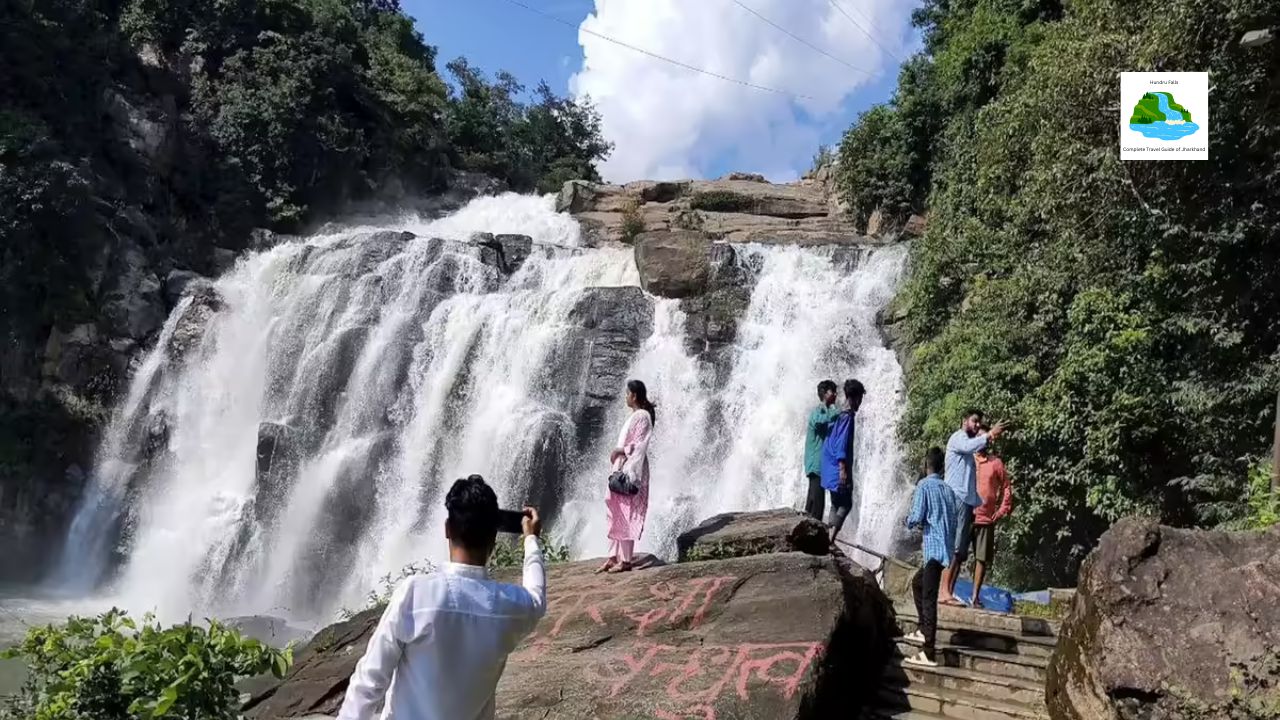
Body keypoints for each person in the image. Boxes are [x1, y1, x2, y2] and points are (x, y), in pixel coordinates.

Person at [337, 475, 546, 720]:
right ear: (493, 537)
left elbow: (369, 681)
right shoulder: (510, 606)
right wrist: (531, 540)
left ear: (447, 529)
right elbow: (537, 598)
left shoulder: (416, 594)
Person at [938, 410, 1006, 606]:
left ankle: (948, 592)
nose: (977, 425)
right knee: (955, 548)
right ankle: (944, 592)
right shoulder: (959, 439)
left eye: (979, 423)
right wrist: (990, 434)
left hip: (967, 503)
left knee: (960, 551)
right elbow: (971, 446)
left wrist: (980, 504)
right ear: (964, 421)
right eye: (974, 421)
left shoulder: (976, 452)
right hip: (956, 499)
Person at [904, 446, 957, 667]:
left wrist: (907, 522)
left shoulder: (924, 486)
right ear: (942, 467)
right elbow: (954, 520)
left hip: (933, 550)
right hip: (944, 549)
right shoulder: (948, 490)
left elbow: (917, 516)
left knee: (928, 600)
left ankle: (929, 650)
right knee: (918, 583)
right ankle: (922, 629)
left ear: (927, 466)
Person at [597, 379, 655, 574]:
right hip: (621, 466)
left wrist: (621, 450)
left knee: (625, 511)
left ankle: (626, 560)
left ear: (634, 395)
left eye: (627, 393)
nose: (625, 397)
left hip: (630, 469)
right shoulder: (636, 415)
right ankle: (613, 557)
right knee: (613, 509)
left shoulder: (642, 416)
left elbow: (640, 446)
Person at [968, 429, 1012, 607]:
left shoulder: (996, 463)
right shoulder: (968, 459)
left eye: (986, 438)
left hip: (986, 518)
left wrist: (1001, 510)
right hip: (966, 516)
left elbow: (1007, 487)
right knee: (956, 554)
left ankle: (975, 597)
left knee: (981, 559)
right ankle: (946, 592)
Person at [820, 379, 866, 542]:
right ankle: (831, 539)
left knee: (835, 503)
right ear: (855, 397)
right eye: (860, 398)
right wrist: (842, 469)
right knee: (846, 504)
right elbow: (842, 443)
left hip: (828, 464)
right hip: (837, 466)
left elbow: (830, 440)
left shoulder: (837, 413)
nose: (860, 403)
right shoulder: (847, 417)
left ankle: (827, 537)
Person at [803, 380, 840, 521]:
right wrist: (834, 411)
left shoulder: (825, 410)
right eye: (833, 391)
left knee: (814, 501)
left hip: (821, 465)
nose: (836, 394)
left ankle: (808, 532)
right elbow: (819, 421)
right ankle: (811, 535)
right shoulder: (819, 410)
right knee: (816, 503)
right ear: (825, 394)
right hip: (816, 463)